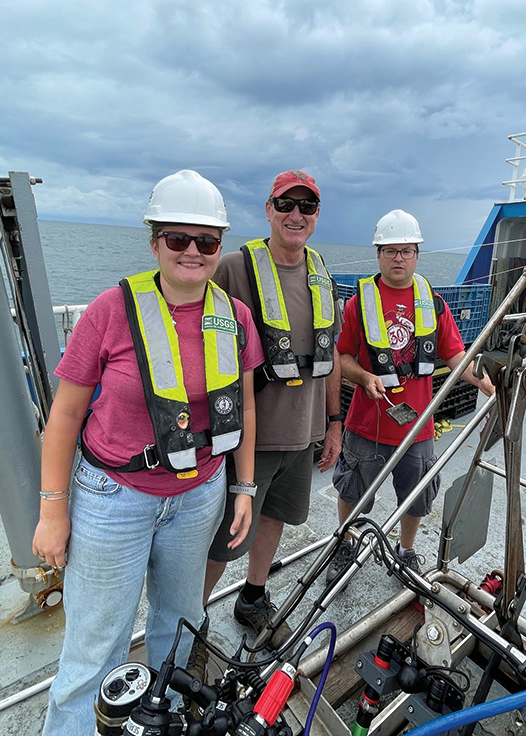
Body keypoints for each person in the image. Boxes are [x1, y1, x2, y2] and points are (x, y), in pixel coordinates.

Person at [34, 170, 264, 735]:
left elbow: (246, 408)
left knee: (181, 626)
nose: (192, 252)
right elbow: (64, 415)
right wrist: (52, 509)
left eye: (206, 241)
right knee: (96, 643)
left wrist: (243, 486)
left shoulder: (234, 318)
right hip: (115, 496)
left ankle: (160, 722)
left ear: (220, 247)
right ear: (154, 241)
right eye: (177, 239)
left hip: (199, 493)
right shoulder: (110, 311)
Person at [199, 169, 342, 651]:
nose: (295, 215)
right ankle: (191, 618)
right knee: (223, 537)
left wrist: (335, 423)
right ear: (268, 209)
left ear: (317, 215)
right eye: (286, 204)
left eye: (307, 206)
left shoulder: (322, 272)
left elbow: (331, 355)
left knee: (275, 517)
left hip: (301, 434)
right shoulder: (234, 268)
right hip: (247, 438)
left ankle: (253, 596)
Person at [327, 209, 493, 581]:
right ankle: (345, 541)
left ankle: (406, 550)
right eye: (390, 251)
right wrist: (364, 376)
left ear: (417, 254)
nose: (398, 258)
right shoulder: (358, 302)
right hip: (366, 425)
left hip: (418, 427)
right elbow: (343, 356)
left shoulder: (432, 303)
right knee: (352, 490)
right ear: (378, 255)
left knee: (416, 496)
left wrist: (480, 379)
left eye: (406, 250)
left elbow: (453, 354)